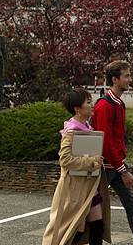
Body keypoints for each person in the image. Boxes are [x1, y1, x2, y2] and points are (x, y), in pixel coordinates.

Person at [92, 60, 133, 245]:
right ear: (115, 79)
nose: (129, 79)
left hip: (117, 165)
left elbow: (117, 140)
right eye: (126, 76)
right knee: (96, 212)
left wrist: (122, 166)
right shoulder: (105, 105)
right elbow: (106, 142)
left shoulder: (119, 104)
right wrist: (123, 170)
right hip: (105, 167)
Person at [43, 88, 111, 245]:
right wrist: (92, 161)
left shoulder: (86, 127)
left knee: (97, 226)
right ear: (77, 108)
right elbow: (65, 160)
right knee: (74, 231)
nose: (92, 105)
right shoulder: (71, 131)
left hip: (89, 188)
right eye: (88, 102)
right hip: (74, 190)